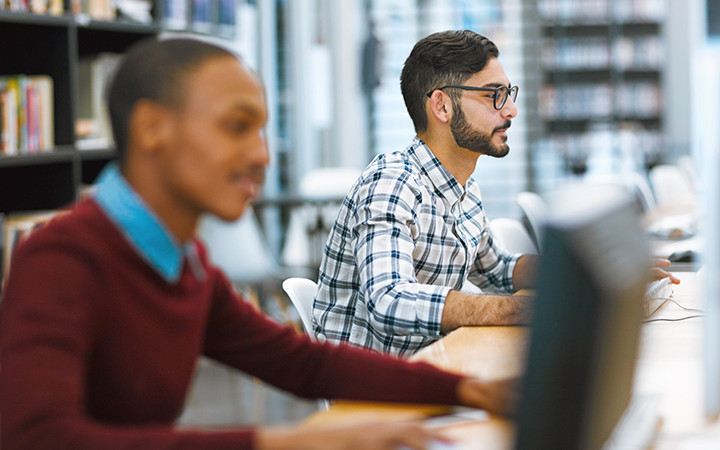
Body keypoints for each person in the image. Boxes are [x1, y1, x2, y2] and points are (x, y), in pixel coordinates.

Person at [0, 38, 516, 450]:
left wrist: (467, 390)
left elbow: (303, 363)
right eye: (236, 127)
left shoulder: (184, 264)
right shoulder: (63, 258)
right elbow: (39, 439)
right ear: (152, 129)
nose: (261, 155)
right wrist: (283, 443)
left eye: (263, 130)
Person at [312, 29, 679, 357]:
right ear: (441, 105)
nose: (513, 110)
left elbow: (499, 270)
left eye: (509, 94)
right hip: (375, 395)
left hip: (435, 366)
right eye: (495, 96)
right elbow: (390, 301)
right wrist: (527, 311)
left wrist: (596, 271)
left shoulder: (464, 187)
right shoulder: (393, 184)